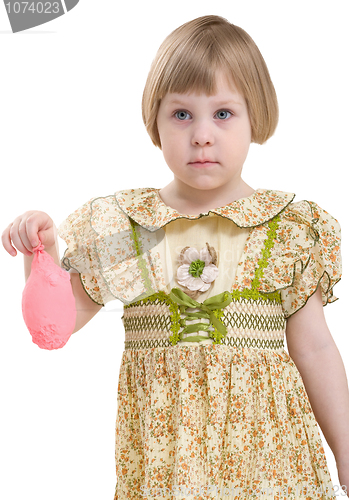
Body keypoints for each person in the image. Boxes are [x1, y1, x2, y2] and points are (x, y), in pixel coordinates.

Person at [2, 14, 349, 500]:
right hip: (167, 470)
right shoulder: (124, 226)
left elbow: (315, 349)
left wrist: (347, 453)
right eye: (182, 114)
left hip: (272, 468)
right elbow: (53, 328)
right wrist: (43, 254)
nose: (202, 135)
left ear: (257, 118)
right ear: (156, 122)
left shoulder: (285, 228)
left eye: (223, 113)